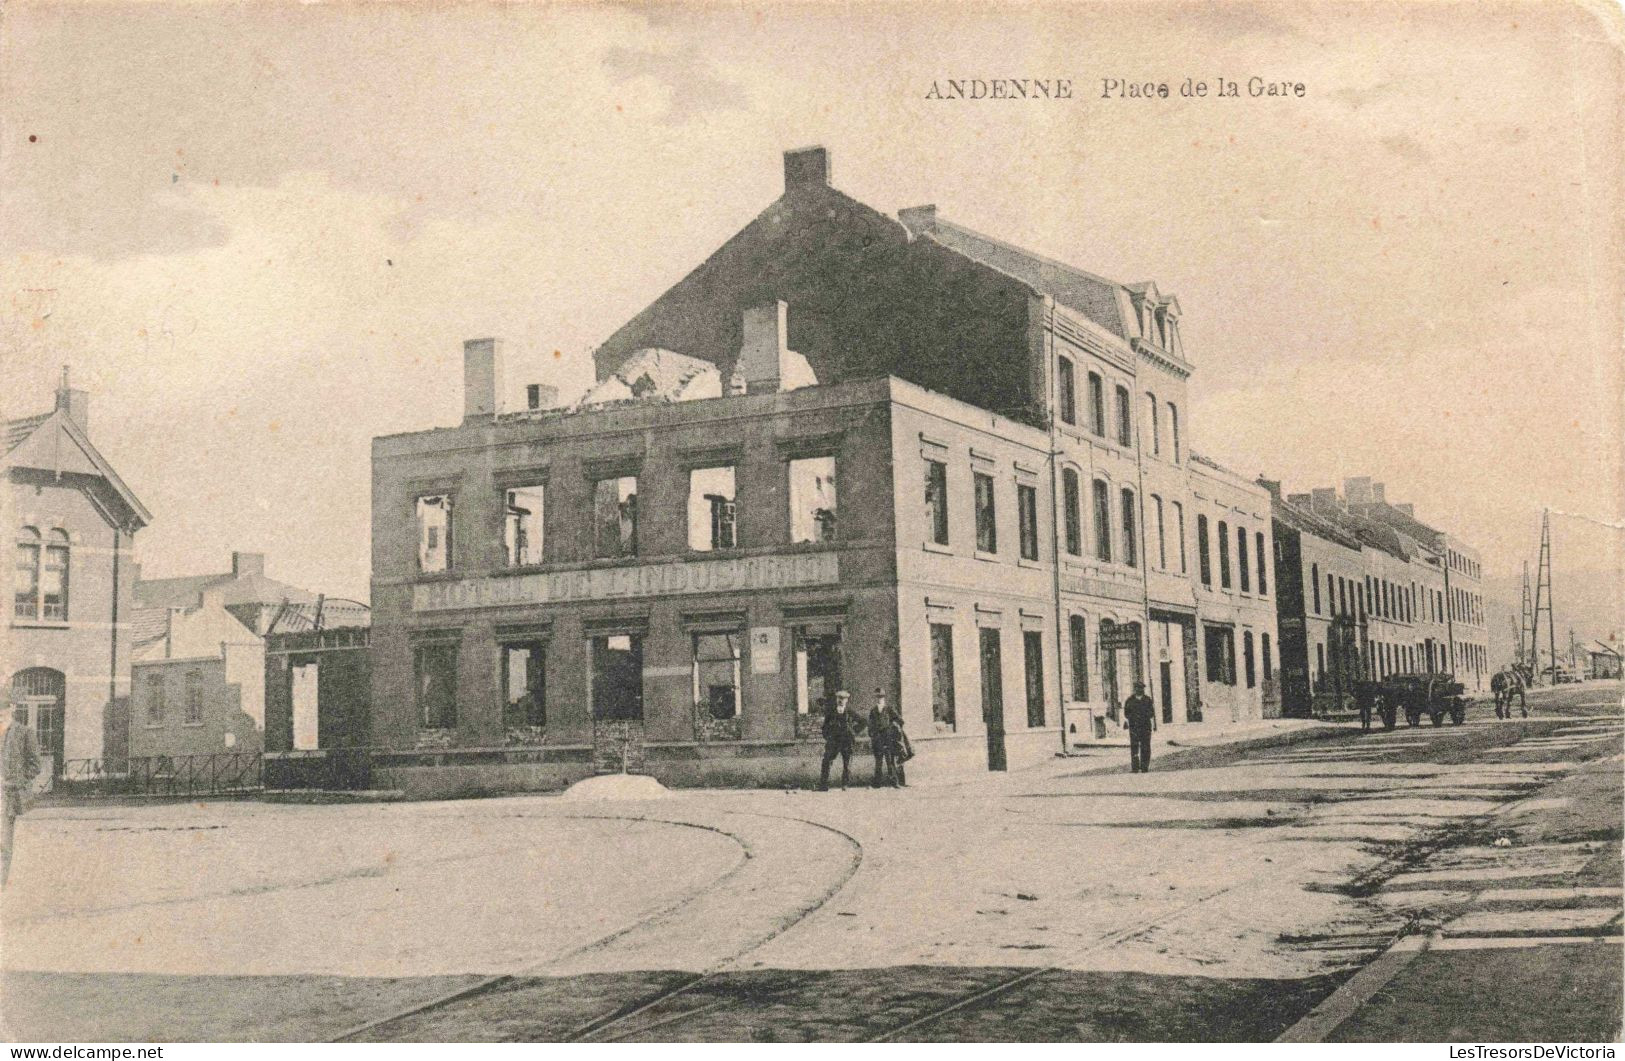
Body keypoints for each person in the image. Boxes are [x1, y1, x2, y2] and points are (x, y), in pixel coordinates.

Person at [1, 705, 42, 888]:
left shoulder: (24, 733)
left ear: (12, 709)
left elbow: (35, 765)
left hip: (8, 796)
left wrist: (17, 780)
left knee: (3, 842)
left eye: (2, 708)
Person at [819, 690, 859, 790]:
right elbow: (825, 726)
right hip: (834, 741)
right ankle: (823, 785)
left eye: (843, 699)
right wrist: (828, 737)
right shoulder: (831, 712)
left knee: (847, 763)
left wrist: (853, 732)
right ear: (836, 699)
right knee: (827, 761)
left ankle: (845, 785)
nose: (841, 701)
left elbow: (863, 722)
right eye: (839, 698)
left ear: (846, 700)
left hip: (847, 741)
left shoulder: (850, 712)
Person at [868, 688, 905, 788]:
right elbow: (870, 725)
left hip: (888, 739)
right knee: (878, 761)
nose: (879, 699)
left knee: (890, 761)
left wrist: (892, 730)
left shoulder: (889, 709)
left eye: (881, 697)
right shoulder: (873, 710)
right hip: (877, 739)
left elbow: (900, 721)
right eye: (877, 697)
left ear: (884, 697)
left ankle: (894, 782)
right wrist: (872, 735)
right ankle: (877, 783)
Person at [1123, 681, 1156, 773]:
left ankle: (1145, 767)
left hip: (1145, 727)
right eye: (1137, 688)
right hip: (1134, 727)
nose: (1139, 690)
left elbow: (1151, 713)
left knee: (1145, 747)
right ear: (1135, 689)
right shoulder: (1130, 700)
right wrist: (1133, 718)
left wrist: (1144, 716)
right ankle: (1135, 767)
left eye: (1141, 688)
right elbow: (1126, 713)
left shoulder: (1147, 700)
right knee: (1134, 747)